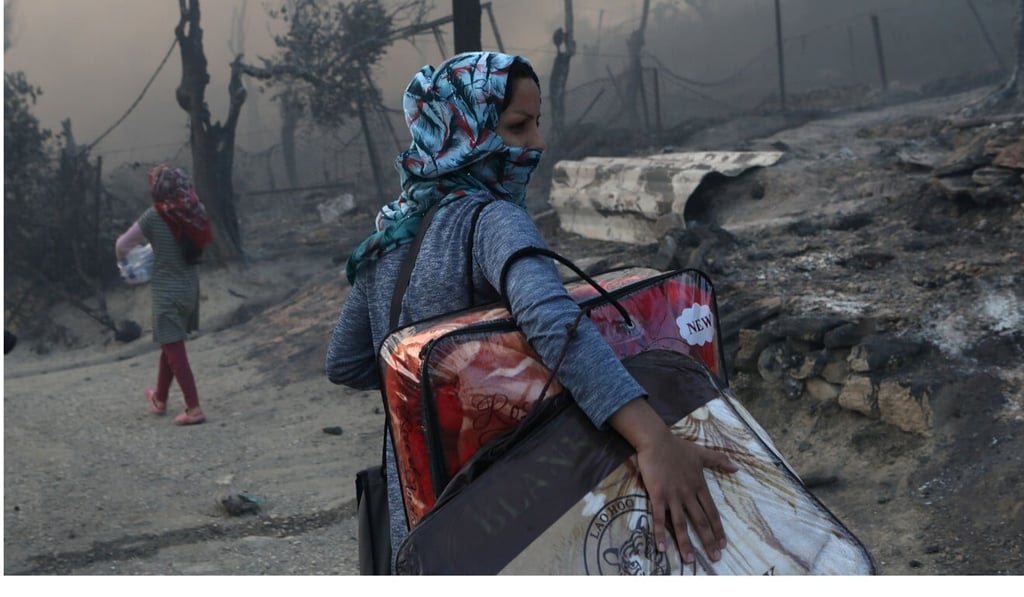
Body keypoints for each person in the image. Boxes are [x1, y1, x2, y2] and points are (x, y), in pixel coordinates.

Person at [325, 51, 738, 572]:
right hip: (512, 503)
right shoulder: (494, 219)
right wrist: (653, 438)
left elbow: (347, 364)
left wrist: (437, 381)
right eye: (518, 127)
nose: (537, 144)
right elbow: (551, 322)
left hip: (422, 507)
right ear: (464, 132)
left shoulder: (388, 240)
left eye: (537, 124)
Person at [116, 164, 211, 426]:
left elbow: (122, 245)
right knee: (170, 343)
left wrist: (126, 265)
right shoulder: (194, 210)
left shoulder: (154, 216)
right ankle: (159, 398)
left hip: (166, 291)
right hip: (190, 288)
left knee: (174, 348)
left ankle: (193, 408)